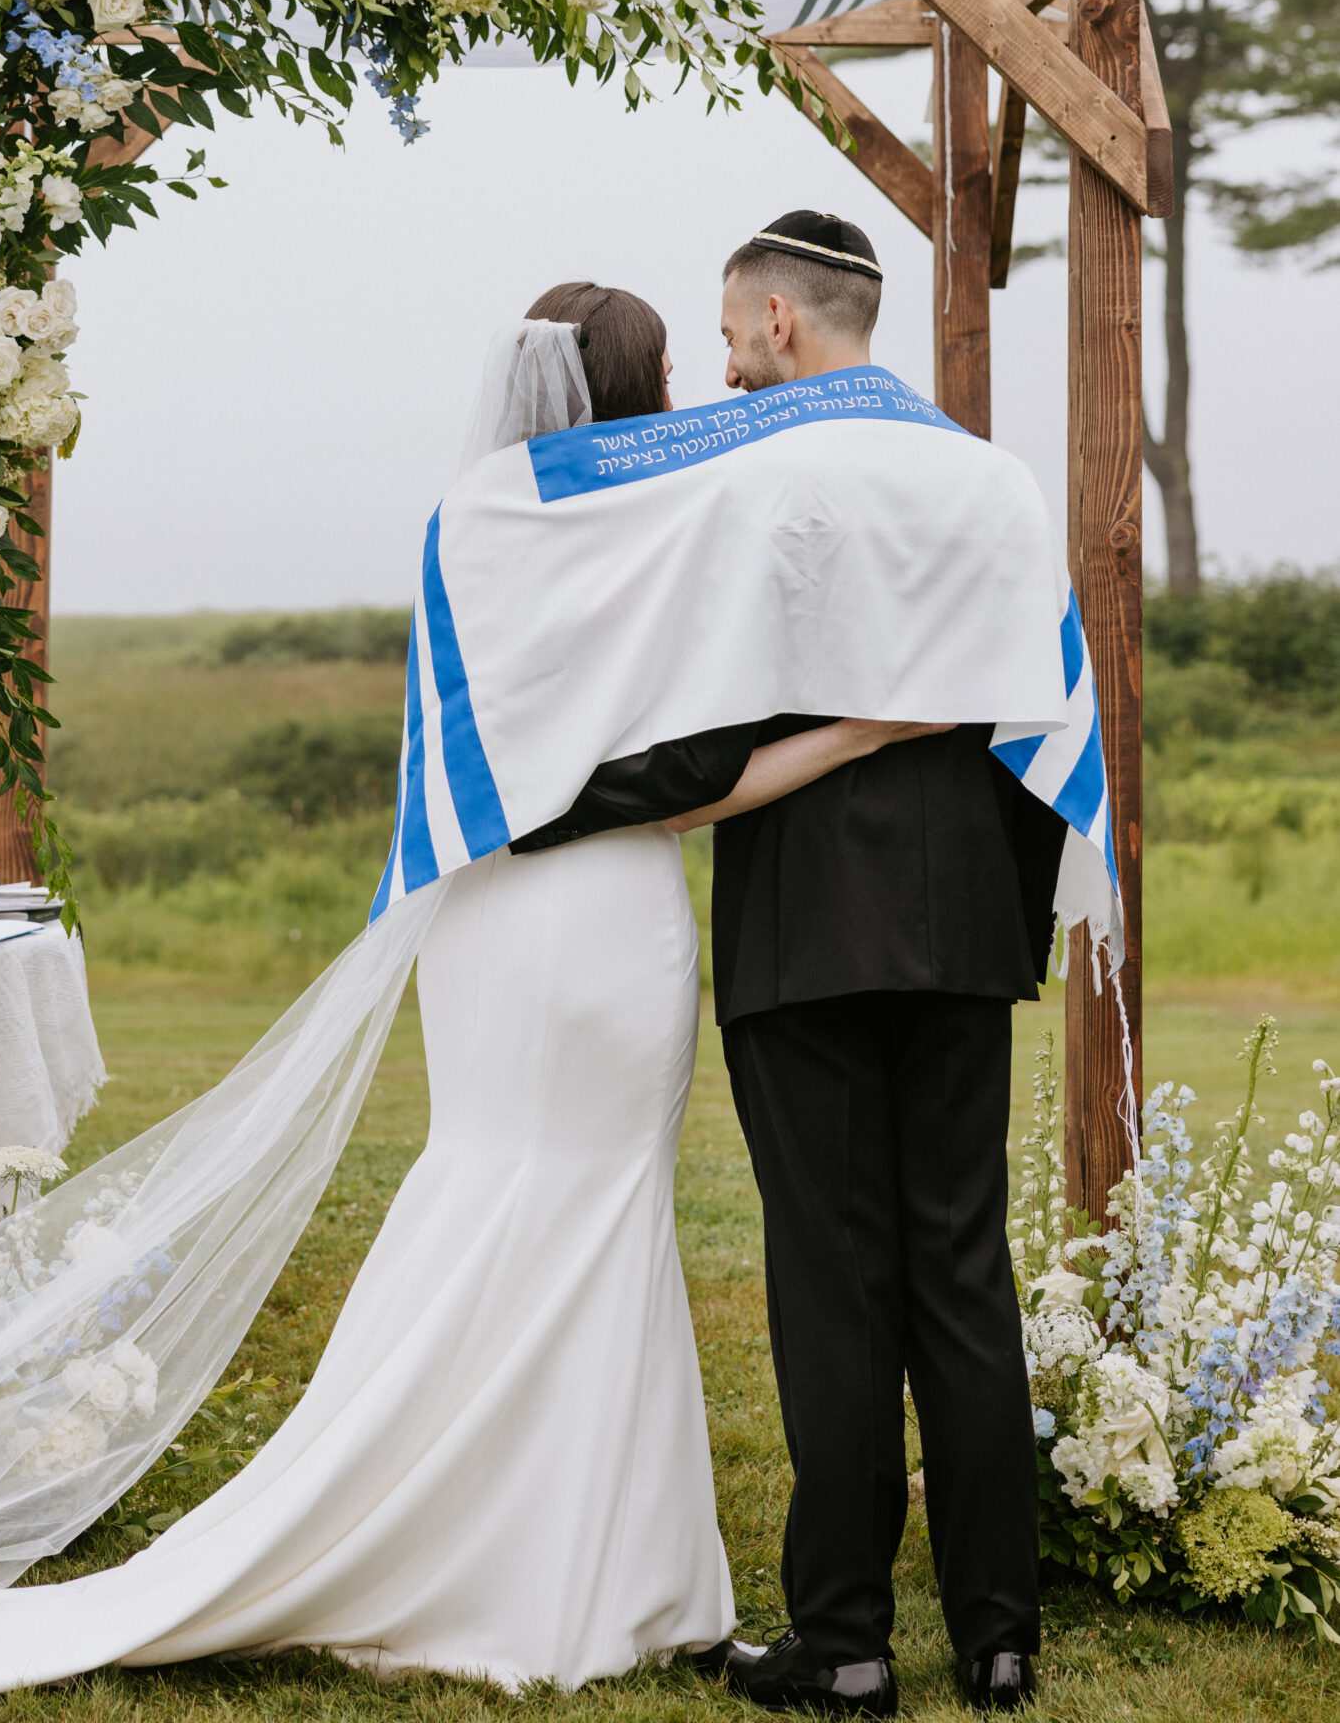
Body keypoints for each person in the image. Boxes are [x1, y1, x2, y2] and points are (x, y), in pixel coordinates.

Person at [0, 283, 925, 1706]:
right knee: (587, 1203)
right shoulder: (666, 537)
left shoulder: (475, 526)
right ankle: (584, 1569)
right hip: (613, 922)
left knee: (520, 1186)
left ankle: (569, 1550)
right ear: (633, 389)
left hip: (495, 917)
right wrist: (869, 724)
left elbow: (530, 765)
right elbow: (689, 776)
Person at [515, 215, 1060, 1718]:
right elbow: (1041, 723)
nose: (732, 355)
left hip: (806, 925)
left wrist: (553, 798)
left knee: (833, 1282)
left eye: (734, 331)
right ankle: (1002, 1637)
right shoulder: (991, 474)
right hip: (962, 922)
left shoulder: (752, 475)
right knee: (961, 1273)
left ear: (776, 317)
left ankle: (847, 1643)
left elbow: (700, 735)